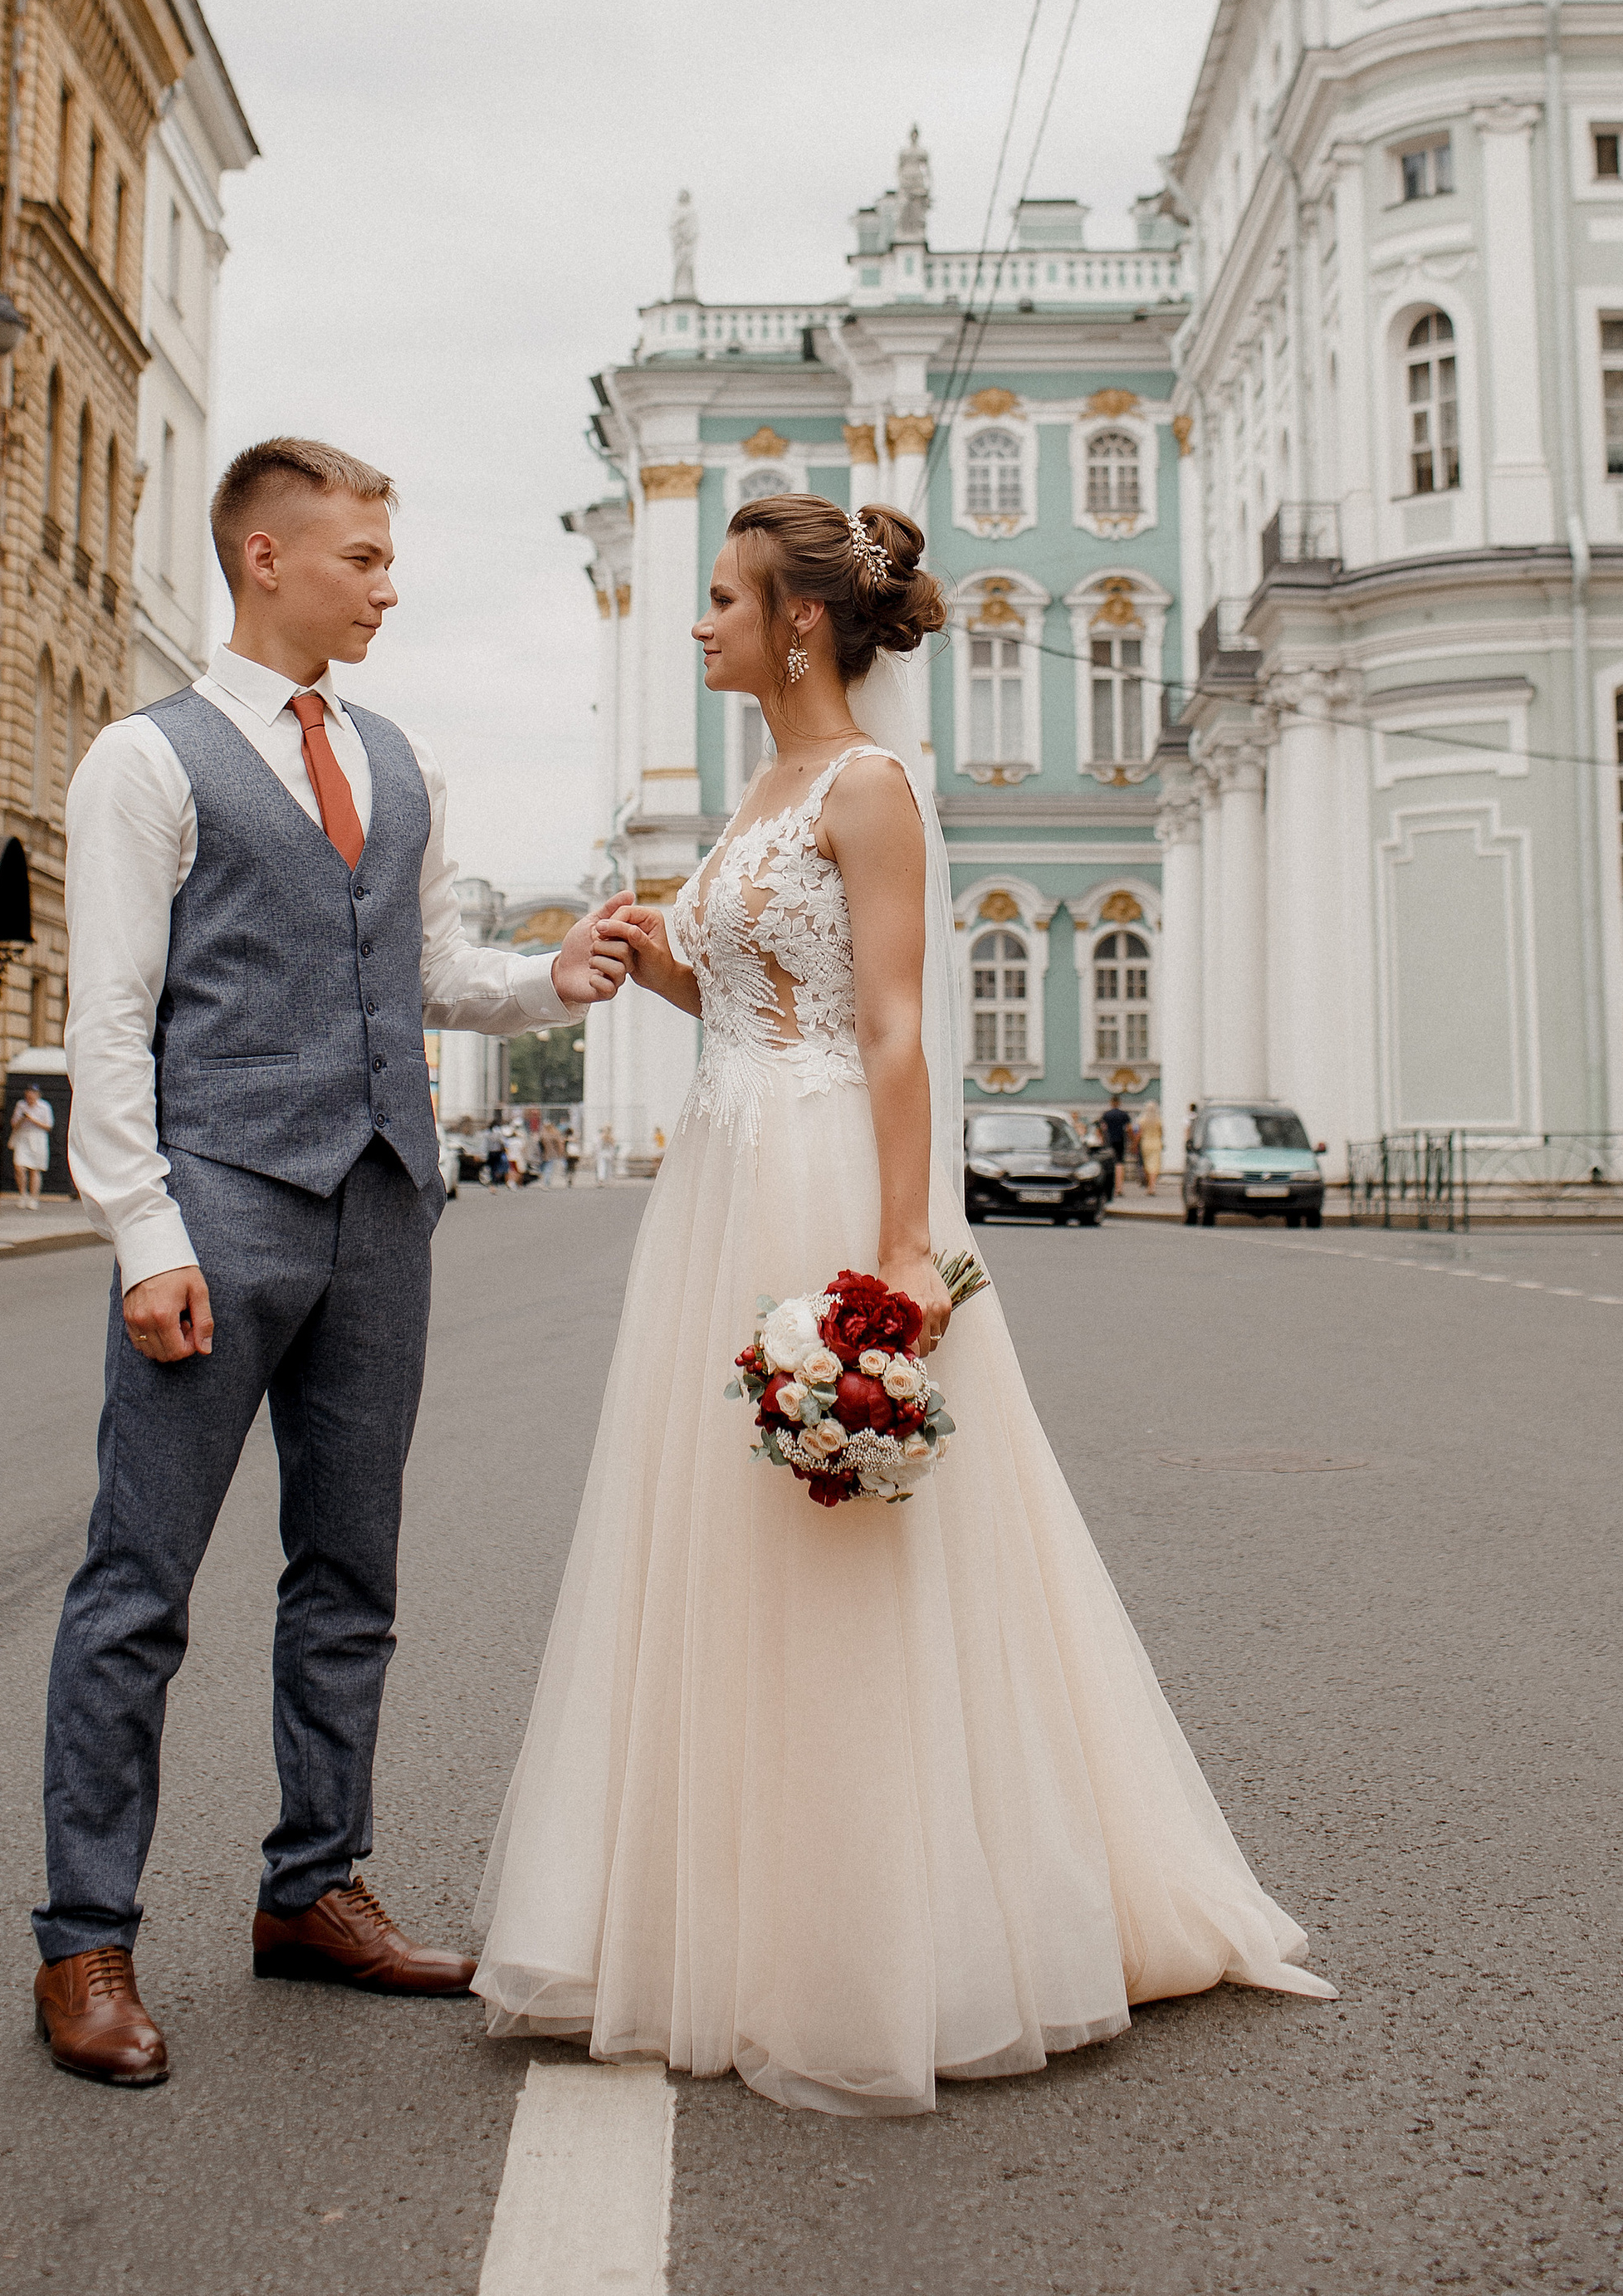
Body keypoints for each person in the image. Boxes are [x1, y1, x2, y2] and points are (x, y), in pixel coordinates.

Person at [474, 495, 1330, 2116]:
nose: (699, 623)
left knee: (840, 1548)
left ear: (798, 625)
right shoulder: (760, 789)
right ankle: (720, 1916)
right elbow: (739, 996)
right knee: (718, 1540)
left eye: (720, 600)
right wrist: (646, 949)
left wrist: (893, 1260)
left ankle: (874, 1940)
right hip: (719, 1172)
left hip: (808, 1179)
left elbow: (886, 1033)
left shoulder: (869, 790)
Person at [32, 438, 633, 2087]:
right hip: (219, 1204)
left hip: (380, 1203)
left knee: (348, 1574)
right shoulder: (145, 763)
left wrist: (548, 978)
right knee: (137, 1583)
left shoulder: (396, 757)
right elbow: (109, 1015)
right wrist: (142, 1227)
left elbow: (423, 968)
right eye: (361, 556)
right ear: (265, 561)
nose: (386, 582)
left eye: (388, 555)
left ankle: (313, 1891)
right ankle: (84, 1939)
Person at [9, 1082, 55, 1212]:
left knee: (35, 1169)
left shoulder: (44, 1107)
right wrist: (23, 1118)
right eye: (28, 1094)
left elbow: (48, 1126)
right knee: (19, 1167)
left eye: (33, 1094)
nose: (30, 1097)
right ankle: (23, 1194)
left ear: (37, 1095)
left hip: (38, 1137)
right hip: (23, 1136)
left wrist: (32, 1119)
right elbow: (14, 1125)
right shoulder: (21, 1105)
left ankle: (33, 1198)